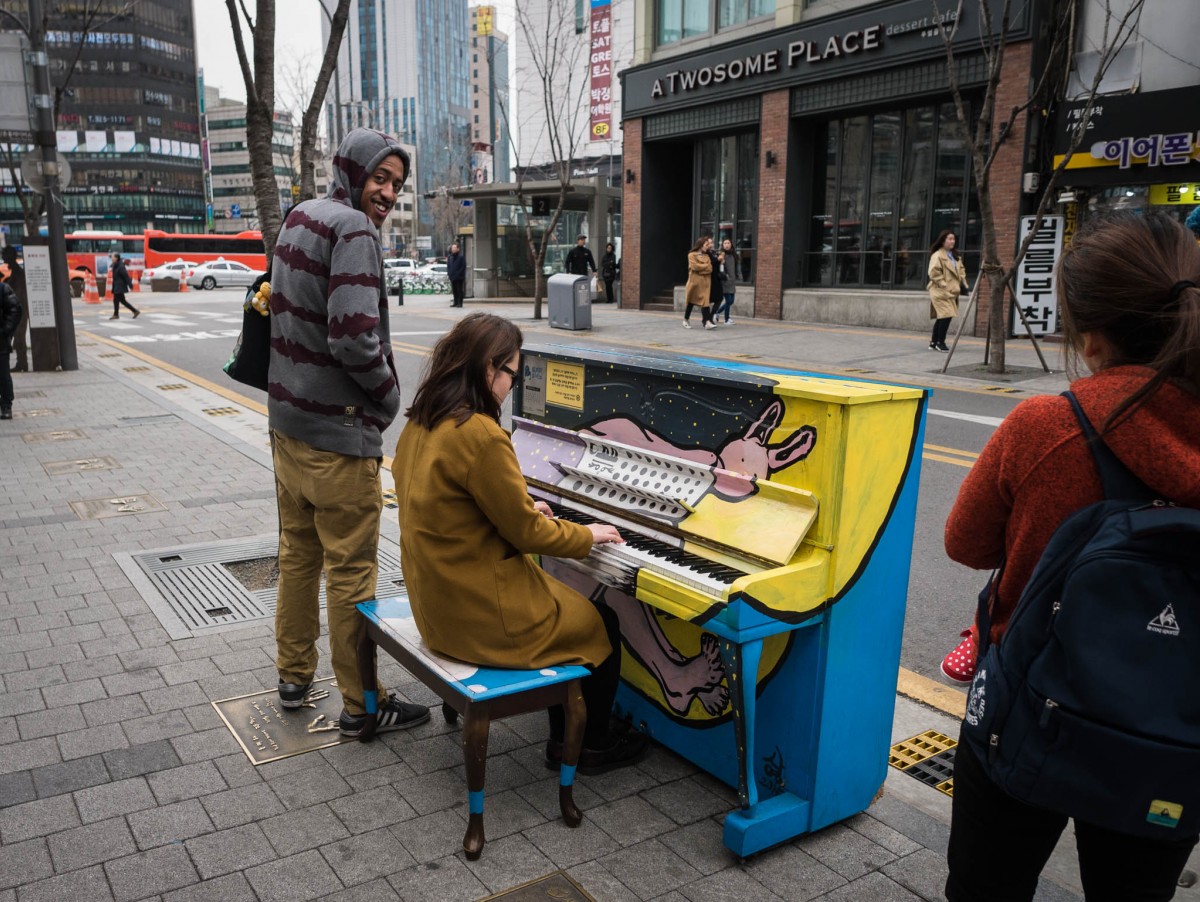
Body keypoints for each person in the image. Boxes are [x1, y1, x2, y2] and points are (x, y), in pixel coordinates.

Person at [943, 212, 1200, 902]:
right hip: (1174, 732)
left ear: (1089, 335)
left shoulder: (1049, 426)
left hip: (1030, 709)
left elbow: (964, 544)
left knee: (985, 888)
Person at [392, 312, 649, 774]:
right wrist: (589, 534)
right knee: (600, 621)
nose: (513, 383)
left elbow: (458, 503)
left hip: (437, 604)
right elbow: (529, 534)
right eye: (513, 371)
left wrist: (521, 504)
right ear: (489, 369)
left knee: (567, 603)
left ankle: (567, 729)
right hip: (478, 614)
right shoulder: (482, 434)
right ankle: (588, 743)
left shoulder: (422, 420)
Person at [268, 127, 429, 737]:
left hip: (287, 430)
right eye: (379, 178)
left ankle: (292, 675)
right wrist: (389, 402)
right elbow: (353, 336)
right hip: (337, 438)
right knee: (352, 575)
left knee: (299, 555)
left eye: (396, 182)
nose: (386, 192)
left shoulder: (302, 215)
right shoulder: (353, 230)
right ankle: (362, 704)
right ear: (353, 171)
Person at [927, 229, 966, 352]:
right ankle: (940, 342)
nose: (952, 241)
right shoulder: (937, 255)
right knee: (946, 315)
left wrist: (964, 284)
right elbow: (933, 272)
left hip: (952, 291)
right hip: (940, 290)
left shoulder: (956, 256)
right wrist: (943, 284)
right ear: (943, 241)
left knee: (943, 316)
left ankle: (934, 342)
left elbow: (961, 271)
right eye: (949, 239)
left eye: (953, 239)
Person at [2, 246, 29, 372]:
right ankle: (21, 362)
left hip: (20, 310)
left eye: (4, 255)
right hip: (18, 309)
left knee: (19, 336)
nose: (3, 258)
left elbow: (18, 294)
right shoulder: (16, 272)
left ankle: (22, 363)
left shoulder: (18, 273)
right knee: (18, 336)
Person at [683, 236, 716, 330]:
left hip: (705, 283)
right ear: (701, 245)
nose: (708, 246)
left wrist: (701, 269)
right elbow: (694, 267)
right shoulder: (691, 255)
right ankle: (686, 319)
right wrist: (704, 268)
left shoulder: (706, 256)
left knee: (705, 302)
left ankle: (707, 322)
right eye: (706, 245)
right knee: (691, 302)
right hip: (694, 283)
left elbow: (710, 269)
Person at [1, 277, 20, 419]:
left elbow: (16, 309)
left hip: (0, 342)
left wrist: (6, 330)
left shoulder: (3, 289)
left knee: (3, 374)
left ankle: (6, 405)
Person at [109, 252, 139, 320]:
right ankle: (135, 311)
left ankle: (116, 314)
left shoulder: (121, 266)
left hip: (120, 286)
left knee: (116, 300)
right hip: (117, 285)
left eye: (113, 257)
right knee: (121, 300)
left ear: (116, 258)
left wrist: (130, 285)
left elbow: (126, 276)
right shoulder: (116, 264)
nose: (111, 258)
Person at [715, 237, 737, 323]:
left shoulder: (733, 254)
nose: (727, 245)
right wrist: (726, 276)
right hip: (725, 281)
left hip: (732, 281)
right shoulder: (721, 254)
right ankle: (726, 319)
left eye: (728, 243)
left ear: (731, 244)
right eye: (725, 243)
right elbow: (720, 269)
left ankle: (717, 312)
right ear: (722, 245)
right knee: (728, 300)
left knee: (731, 301)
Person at [446, 242, 466, 308]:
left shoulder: (461, 257)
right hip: (452, 277)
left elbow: (463, 266)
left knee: (459, 290)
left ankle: (460, 303)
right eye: (452, 248)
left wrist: (457, 274)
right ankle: (455, 302)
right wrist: (449, 274)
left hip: (459, 277)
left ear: (458, 249)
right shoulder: (450, 257)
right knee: (454, 290)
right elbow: (448, 266)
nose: (453, 249)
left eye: (455, 248)